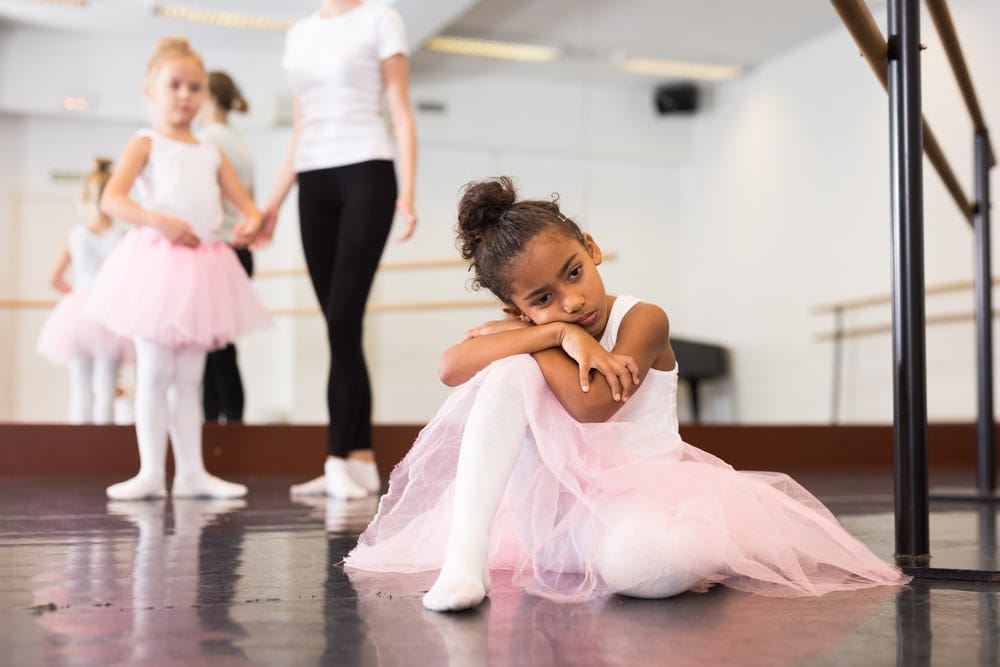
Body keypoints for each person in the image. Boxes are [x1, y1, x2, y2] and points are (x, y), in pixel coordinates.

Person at [345, 176, 909, 612]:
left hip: (635, 512)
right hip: (550, 528)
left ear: (591, 248)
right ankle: (464, 564)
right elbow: (448, 367)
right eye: (542, 299)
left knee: (646, 565)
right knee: (505, 375)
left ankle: (691, 553)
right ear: (516, 308)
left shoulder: (644, 320)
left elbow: (593, 405)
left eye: (573, 272)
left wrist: (526, 339)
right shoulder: (549, 329)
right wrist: (557, 337)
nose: (570, 301)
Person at [87, 37, 270, 501]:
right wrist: (158, 221)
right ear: (151, 90)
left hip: (203, 268)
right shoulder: (145, 142)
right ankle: (150, 471)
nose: (186, 95)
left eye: (194, 87)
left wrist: (249, 224)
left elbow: (247, 208)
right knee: (153, 371)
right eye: (175, 85)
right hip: (155, 265)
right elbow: (113, 199)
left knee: (190, 378)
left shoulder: (211, 151)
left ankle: (191, 471)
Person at [257, 0, 418, 500]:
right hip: (313, 179)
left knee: (343, 318)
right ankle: (363, 460)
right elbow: (301, 125)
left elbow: (400, 109)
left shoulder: (380, 18)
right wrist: (272, 205)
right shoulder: (299, 33)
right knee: (339, 325)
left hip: (367, 168)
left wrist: (407, 192)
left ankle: (335, 460)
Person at [36, 157, 133, 424]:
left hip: (79, 311)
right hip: (109, 312)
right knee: (106, 387)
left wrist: (75, 297)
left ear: (85, 196)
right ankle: (105, 452)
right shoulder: (121, 236)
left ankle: (80, 453)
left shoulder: (76, 234)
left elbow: (53, 278)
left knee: (80, 388)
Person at [197, 71, 255, 424]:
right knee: (222, 345)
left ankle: (220, 425)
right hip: (241, 250)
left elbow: (209, 202)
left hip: (217, 248)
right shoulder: (242, 144)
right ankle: (228, 423)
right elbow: (251, 203)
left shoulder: (206, 141)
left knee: (211, 348)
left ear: (207, 97)